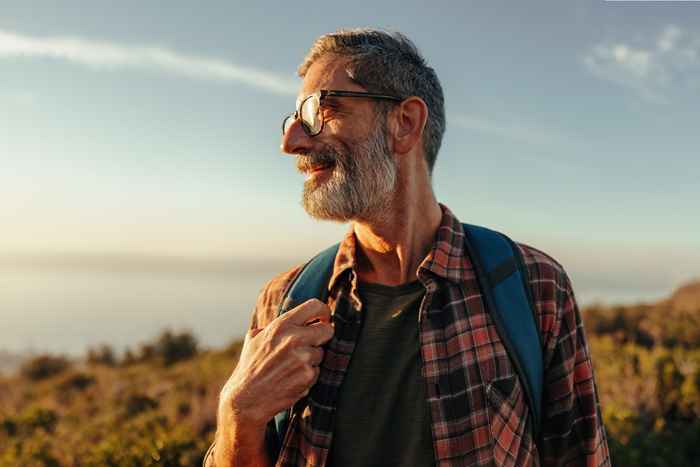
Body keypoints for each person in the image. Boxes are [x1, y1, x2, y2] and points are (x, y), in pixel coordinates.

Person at [205, 28, 610, 467]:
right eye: (293, 120)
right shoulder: (284, 303)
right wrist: (237, 416)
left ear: (405, 123)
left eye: (320, 110)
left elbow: (582, 455)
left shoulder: (533, 287)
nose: (292, 142)